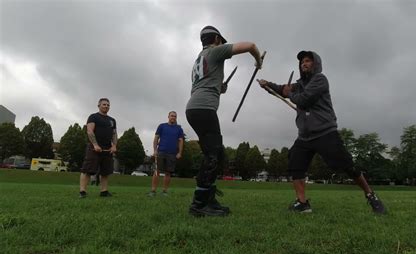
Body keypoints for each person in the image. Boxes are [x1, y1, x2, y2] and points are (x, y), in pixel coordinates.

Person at [257, 51, 386, 214]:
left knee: (347, 165)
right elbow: (283, 89)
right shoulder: (298, 85)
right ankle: (302, 203)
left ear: (316, 64)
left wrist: (289, 93)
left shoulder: (320, 80)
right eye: (302, 61)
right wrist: (267, 84)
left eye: (308, 61)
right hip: (305, 135)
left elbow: (302, 99)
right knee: (295, 163)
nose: (304, 63)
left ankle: (371, 195)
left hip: (325, 131)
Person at [186, 25, 262, 217]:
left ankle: (208, 198)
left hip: (195, 108)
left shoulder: (199, 59)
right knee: (213, 155)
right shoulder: (215, 51)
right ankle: (199, 203)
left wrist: (221, 87)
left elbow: (207, 86)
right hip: (204, 109)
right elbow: (250, 46)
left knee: (216, 154)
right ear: (217, 39)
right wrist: (258, 61)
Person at [79, 98, 117, 198]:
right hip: (93, 148)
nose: (106, 106)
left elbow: (114, 134)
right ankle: (82, 192)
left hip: (107, 149)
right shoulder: (93, 117)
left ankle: (104, 192)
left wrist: (114, 145)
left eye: (108, 105)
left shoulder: (112, 120)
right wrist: (95, 145)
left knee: (105, 171)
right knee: (87, 170)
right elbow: (90, 131)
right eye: (104, 104)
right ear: (99, 105)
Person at [149, 111, 184, 196]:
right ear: (168, 116)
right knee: (156, 171)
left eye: (175, 116)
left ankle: (164, 191)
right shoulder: (162, 126)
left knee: (168, 173)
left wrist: (179, 152)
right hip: (161, 151)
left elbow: (181, 141)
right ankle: (153, 191)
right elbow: (156, 138)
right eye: (172, 116)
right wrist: (155, 150)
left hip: (172, 154)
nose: (173, 117)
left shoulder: (179, 129)